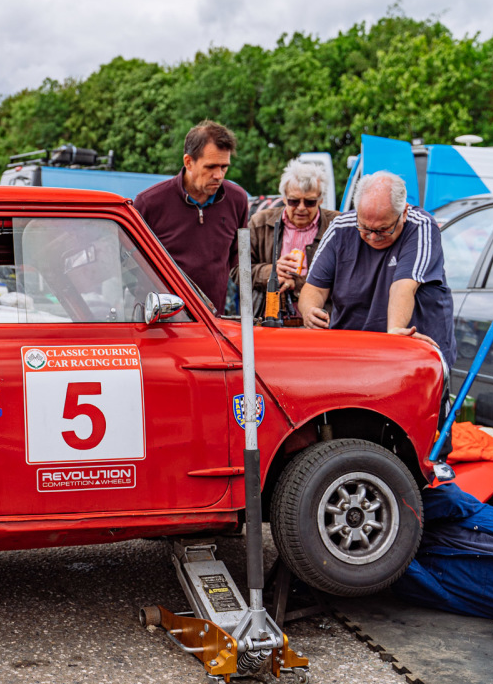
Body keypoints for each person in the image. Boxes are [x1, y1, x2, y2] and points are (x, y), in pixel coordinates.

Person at [299, 170, 457, 478]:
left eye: (382, 231)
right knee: (354, 440)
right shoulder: (341, 228)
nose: (372, 237)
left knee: (418, 445)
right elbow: (313, 288)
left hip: (412, 357)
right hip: (355, 359)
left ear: (404, 213)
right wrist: (309, 310)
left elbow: (404, 285)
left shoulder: (422, 227)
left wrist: (395, 332)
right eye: (365, 228)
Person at [135, 120, 249, 315]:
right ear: (188, 161)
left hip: (212, 322)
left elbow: (238, 261)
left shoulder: (237, 200)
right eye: (211, 167)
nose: (219, 175)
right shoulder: (150, 203)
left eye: (224, 167)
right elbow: (130, 264)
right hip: (158, 322)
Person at [236, 158, 340, 314]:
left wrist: (297, 283)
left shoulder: (337, 225)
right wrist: (271, 272)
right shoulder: (259, 222)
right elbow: (236, 270)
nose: (301, 208)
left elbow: (348, 276)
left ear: (321, 200)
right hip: (268, 317)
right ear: (283, 198)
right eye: (293, 201)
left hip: (320, 319)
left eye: (310, 202)